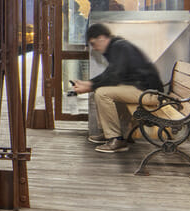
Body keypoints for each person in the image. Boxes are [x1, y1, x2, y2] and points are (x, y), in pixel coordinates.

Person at [69, 23, 163, 153]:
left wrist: (90, 87)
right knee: (104, 91)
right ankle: (111, 134)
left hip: (150, 93)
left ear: (101, 38)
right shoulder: (116, 47)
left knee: (102, 93)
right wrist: (88, 83)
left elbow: (115, 76)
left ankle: (116, 138)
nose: (94, 48)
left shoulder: (119, 47)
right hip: (143, 90)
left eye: (93, 43)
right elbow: (109, 74)